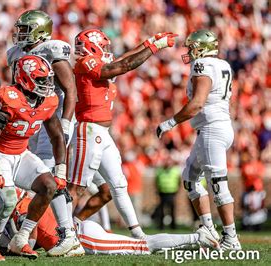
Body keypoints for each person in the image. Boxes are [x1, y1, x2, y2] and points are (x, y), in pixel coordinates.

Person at [68, 29, 177, 238]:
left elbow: (123, 59)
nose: (107, 51)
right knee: (76, 188)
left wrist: (149, 41)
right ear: (91, 46)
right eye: (103, 46)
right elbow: (123, 66)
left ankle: (137, 235)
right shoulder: (85, 62)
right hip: (88, 129)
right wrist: (155, 48)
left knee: (115, 186)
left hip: (102, 132)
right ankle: (62, 233)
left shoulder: (97, 64)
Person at [156, 29, 241, 250]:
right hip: (217, 127)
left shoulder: (202, 65)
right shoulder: (222, 64)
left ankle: (231, 238)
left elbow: (197, 104)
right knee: (190, 178)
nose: (189, 52)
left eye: (192, 47)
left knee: (217, 184)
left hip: (212, 128)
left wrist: (170, 123)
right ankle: (209, 230)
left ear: (201, 48)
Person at [0, 55, 66, 261]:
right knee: (7, 201)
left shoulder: (48, 101)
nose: (47, 84)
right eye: (41, 79)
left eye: (48, 79)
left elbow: (57, 136)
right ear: (25, 78)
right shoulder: (8, 97)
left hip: (21, 153)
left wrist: (61, 168)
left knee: (49, 187)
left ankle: (21, 238)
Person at [7, 10, 80, 257]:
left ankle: (67, 235)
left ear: (39, 30)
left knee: (49, 176)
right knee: (38, 177)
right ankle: (61, 235)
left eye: (25, 29)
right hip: (35, 122)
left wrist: (67, 122)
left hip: (55, 120)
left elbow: (71, 90)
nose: (20, 33)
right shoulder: (16, 54)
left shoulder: (52, 49)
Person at [0, 194, 219, 256]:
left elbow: (33, 239)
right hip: (83, 232)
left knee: (142, 247)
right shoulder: (30, 198)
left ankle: (198, 238)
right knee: (141, 247)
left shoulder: (23, 204)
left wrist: (14, 247)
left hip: (84, 239)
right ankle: (198, 243)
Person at [154, 155, 181, 230]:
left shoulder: (175, 170)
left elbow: (179, 181)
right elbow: (156, 181)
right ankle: (161, 226)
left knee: (172, 209)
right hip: (162, 193)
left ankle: (173, 226)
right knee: (162, 210)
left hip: (172, 193)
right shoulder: (160, 170)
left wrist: (177, 191)